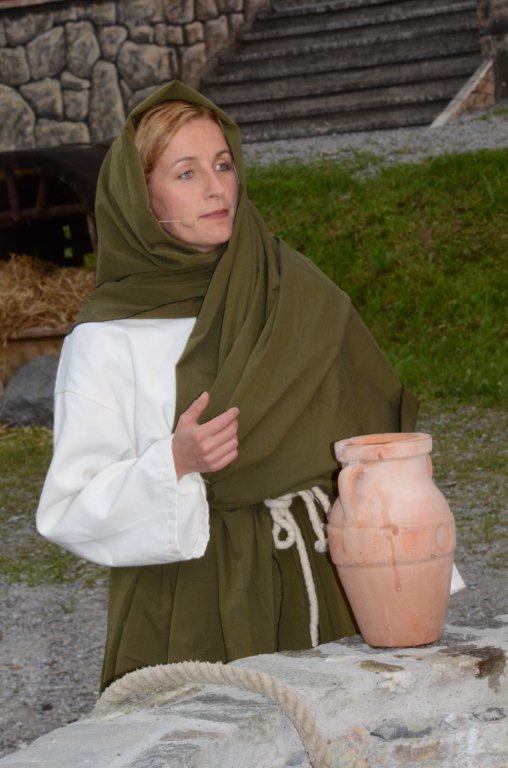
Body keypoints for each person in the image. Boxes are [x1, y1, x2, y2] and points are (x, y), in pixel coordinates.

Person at [36, 79, 421, 694]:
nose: (217, 188)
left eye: (222, 165)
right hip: (191, 598)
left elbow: (377, 435)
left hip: (323, 572)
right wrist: (173, 462)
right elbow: (69, 507)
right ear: (140, 196)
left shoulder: (291, 289)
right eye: (186, 173)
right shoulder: (108, 338)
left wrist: (410, 567)